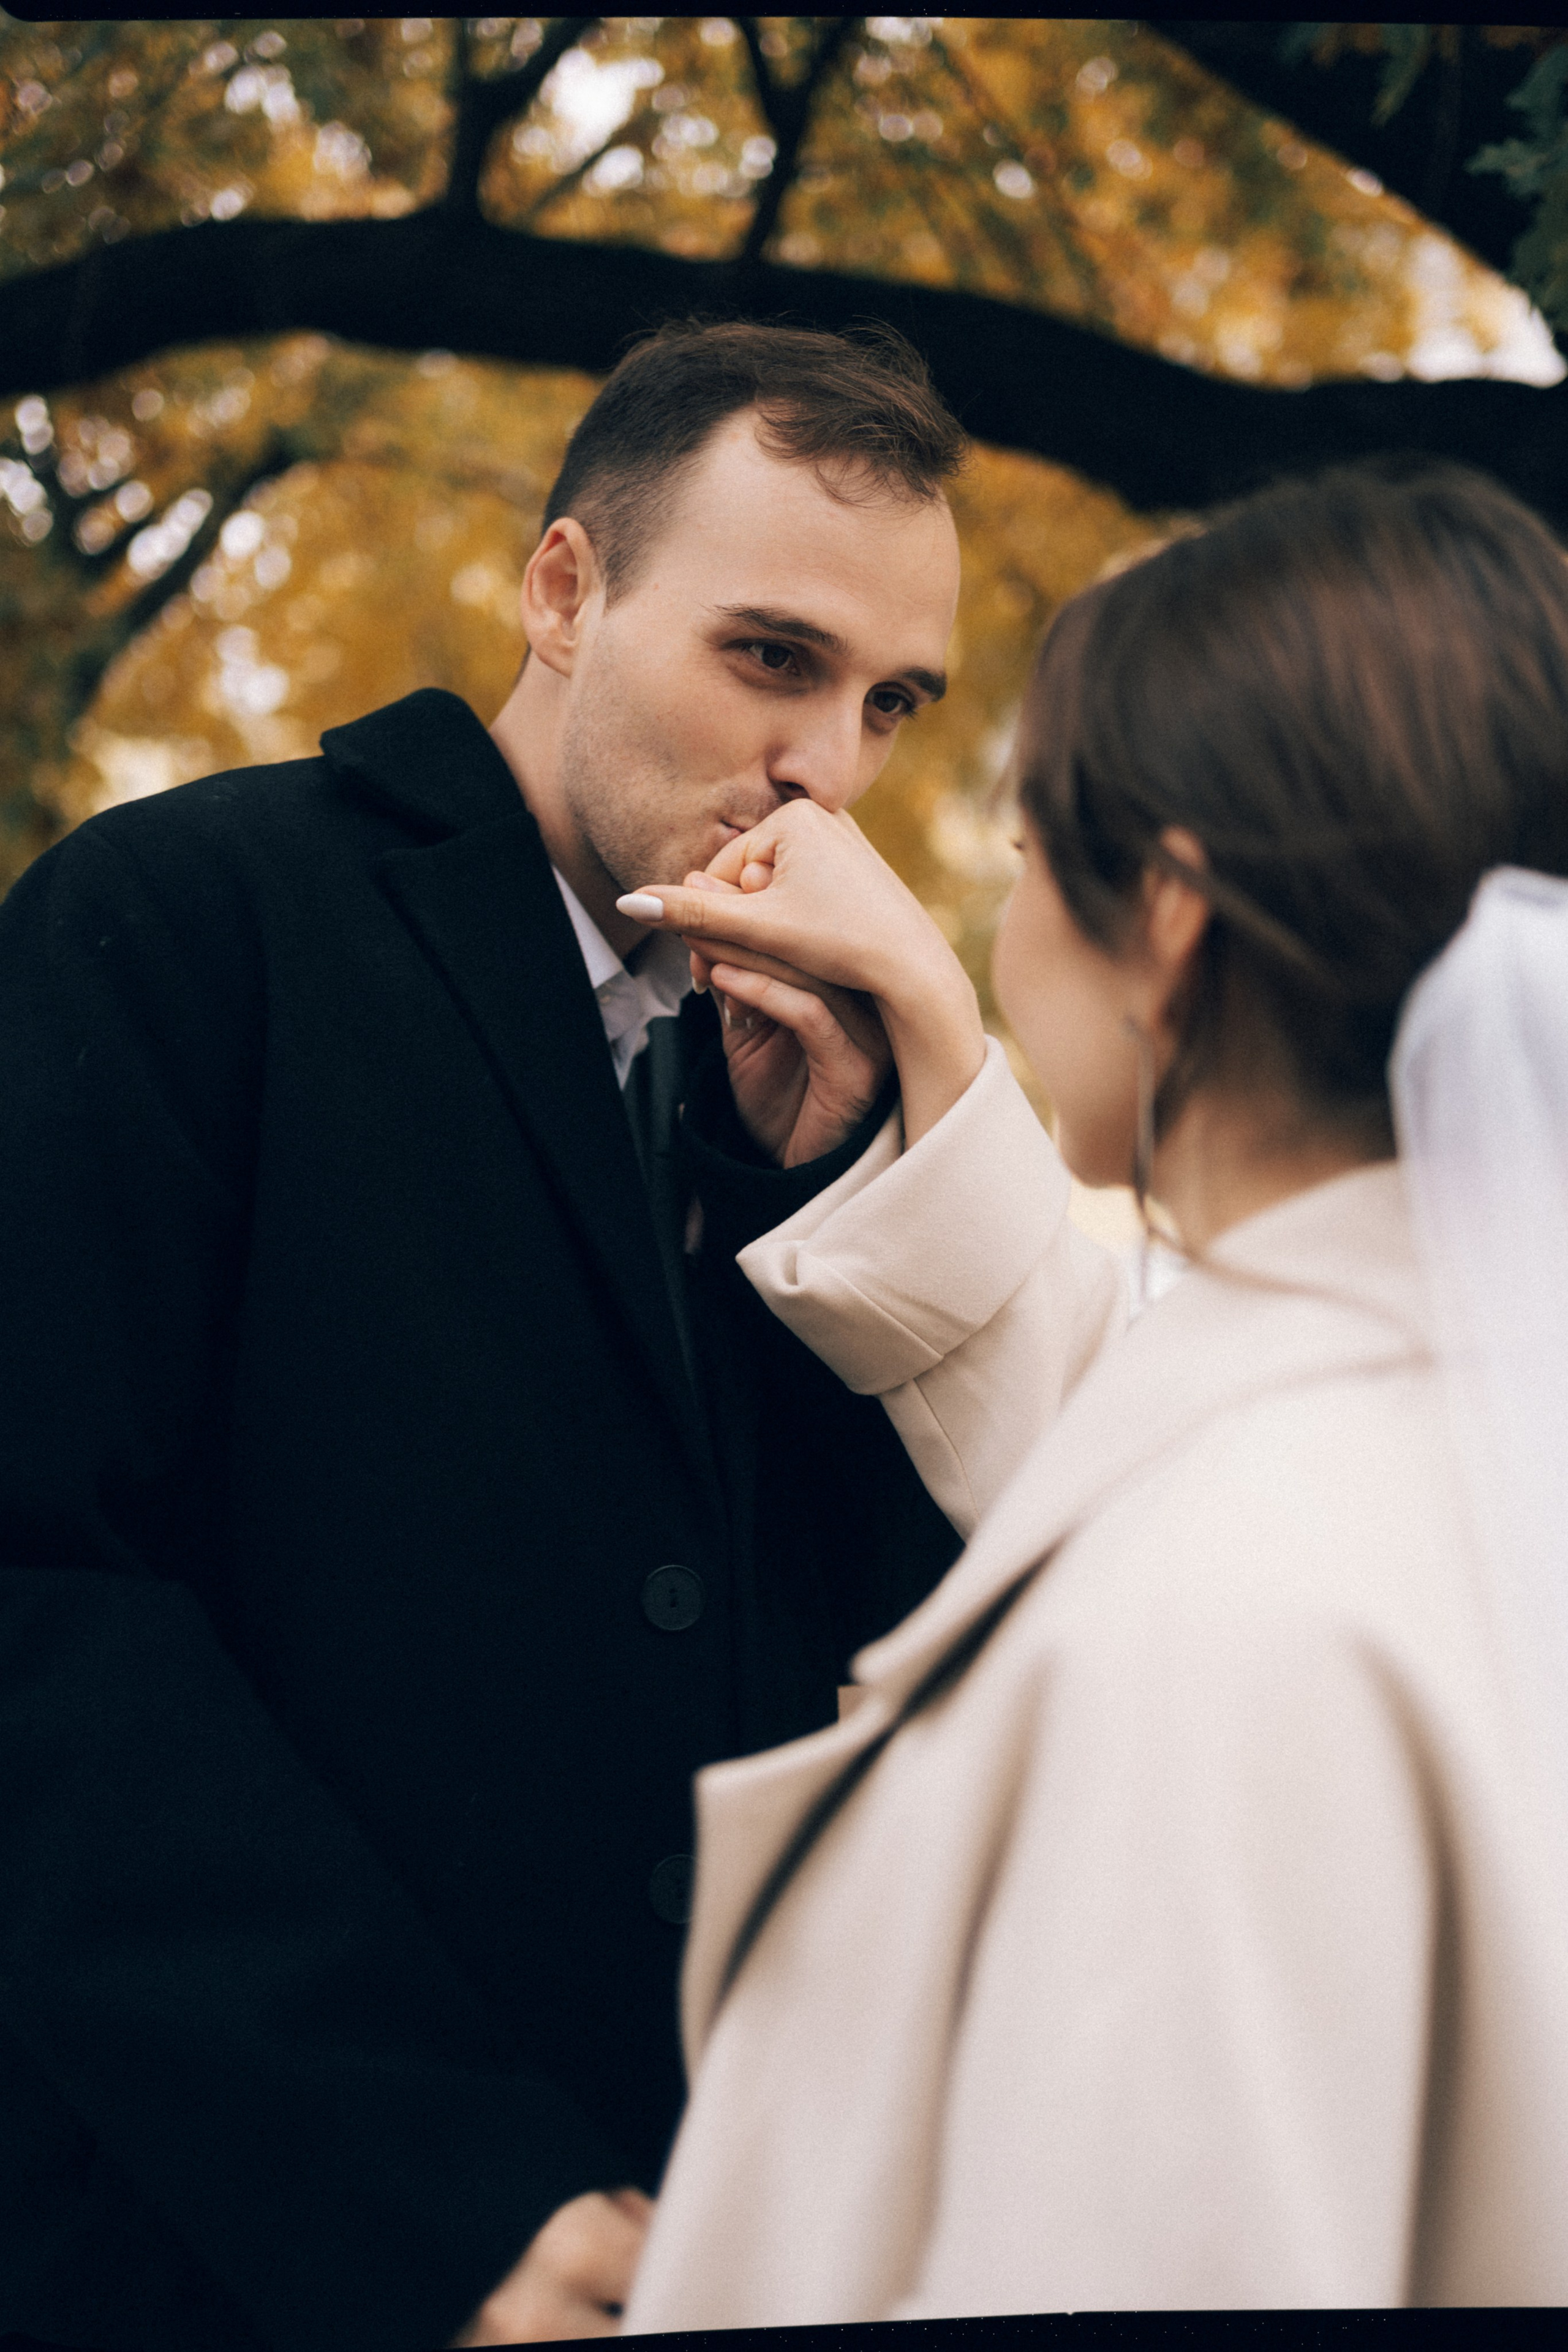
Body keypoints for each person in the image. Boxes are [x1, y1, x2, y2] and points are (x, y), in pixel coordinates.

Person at [0, 320, 976, 2352]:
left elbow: (873, 1671)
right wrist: (431, 2202)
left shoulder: (808, 1080)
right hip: (242, 2260)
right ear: (564, 590)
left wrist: (834, 1202)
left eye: (891, 702)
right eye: (772, 658)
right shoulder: (185, 916)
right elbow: (41, 1614)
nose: (833, 768)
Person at [616, 458, 1568, 2321]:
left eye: (1030, 838)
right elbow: (1134, 1380)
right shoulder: (1483, 1438)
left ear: (1180, 921)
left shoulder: (1228, 1638)